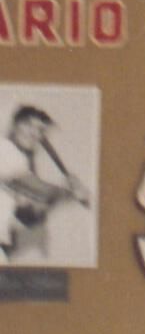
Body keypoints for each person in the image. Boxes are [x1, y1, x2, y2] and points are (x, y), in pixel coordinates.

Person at [1, 103, 85, 261]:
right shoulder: (4, 149)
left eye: (40, 130)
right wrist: (72, 193)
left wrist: (61, 198)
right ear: (14, 125)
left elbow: (28, 217)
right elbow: (41, 190)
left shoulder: (19, 162)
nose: (33, 133)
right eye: (28, 125)